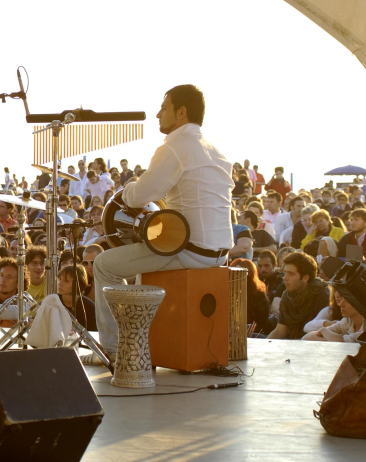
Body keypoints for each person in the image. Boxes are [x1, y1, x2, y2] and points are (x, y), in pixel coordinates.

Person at [90, 85, 233, 366]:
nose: (158, 114)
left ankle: (115, 350)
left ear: (181, 113)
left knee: (104, 265)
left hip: (190, 249)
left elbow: (142, 195)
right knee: (144, 265)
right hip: (219, 252)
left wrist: (130, 187)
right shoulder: (216, 151)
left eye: (164, 108)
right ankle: (143, 340)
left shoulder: (176, 147)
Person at [267, 253, 330, 339]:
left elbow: (321, 334)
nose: (285, 277)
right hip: (293, 343)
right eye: (285, 273)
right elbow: (280, 331)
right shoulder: (287, 297)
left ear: (305, 278)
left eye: (291, 274)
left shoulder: (322, 295)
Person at [230, 258, 269, 330]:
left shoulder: (259, 294)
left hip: (253, 333)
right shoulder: (225, 293)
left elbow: (262, 322)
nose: (237, 277)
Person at [57, 265, 96, 330]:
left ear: (78, 284)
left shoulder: (90, 308)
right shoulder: (53, 302)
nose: (60, 284)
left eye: (66, 281)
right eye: (60, 279)